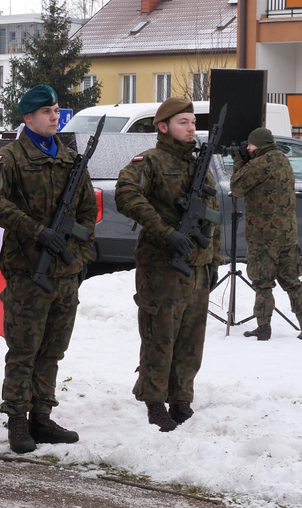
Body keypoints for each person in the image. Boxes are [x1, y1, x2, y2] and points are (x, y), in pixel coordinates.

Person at [0, 85, 96, 454]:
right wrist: (36, 230)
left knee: (53, 350)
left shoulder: (70, 159)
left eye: (56, 110)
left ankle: (42, 417)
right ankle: (16, 419)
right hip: (28, 271)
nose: (54, 116)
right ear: (28, 117)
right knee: (24, 350)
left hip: (64, 272)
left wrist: (78, 254)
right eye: (46, 111)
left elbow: (88, 212)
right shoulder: (10, 158)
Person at [115, 97, 224, 433]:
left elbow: (213, 216)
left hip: (197, 267)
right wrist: (166, 232)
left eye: (193, 122)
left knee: (191, 339)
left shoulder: (198, 164)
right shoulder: (150, 161)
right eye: (183, 122)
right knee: (159, 337)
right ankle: (154, 402)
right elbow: (126, 194)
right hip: (162, 266)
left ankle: (181, 399)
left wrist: (214, 258)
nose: (191, 128)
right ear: (163, 127)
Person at [230, 128, 302, 343]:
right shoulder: (283, 160)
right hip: (287, 235)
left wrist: (238, 161)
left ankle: (263, 328)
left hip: (263, 236)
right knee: (292, 281)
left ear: (258, 144)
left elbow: (237, 187)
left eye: (250, 145)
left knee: (263, 283)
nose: (248, 148)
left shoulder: (259, 164)